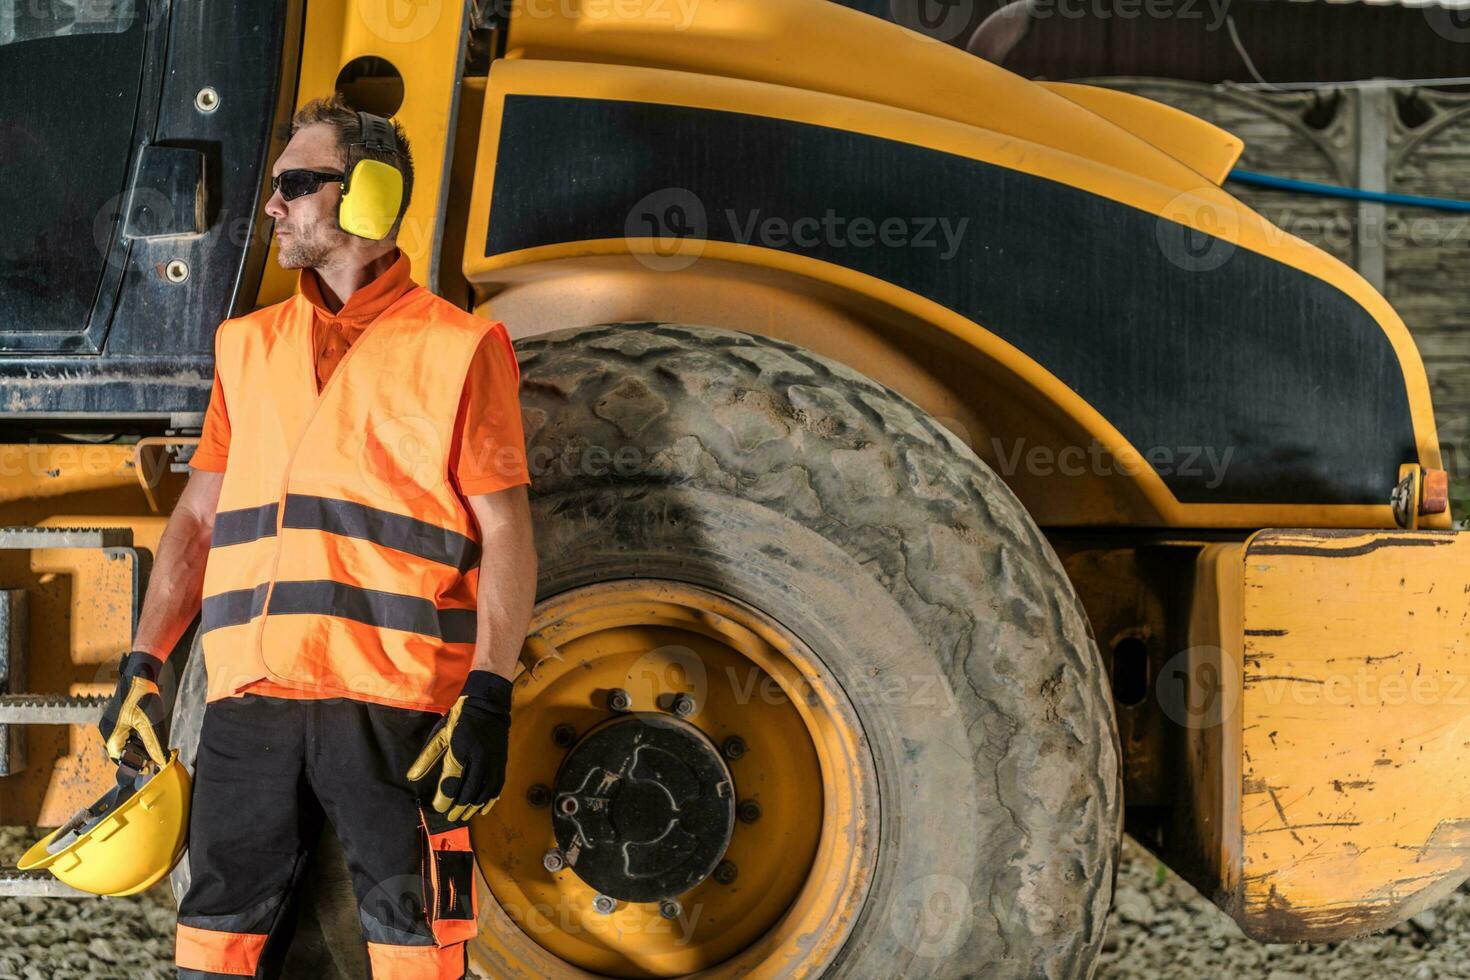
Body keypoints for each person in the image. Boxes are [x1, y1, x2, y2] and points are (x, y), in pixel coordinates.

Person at [95, 93, 537, 979]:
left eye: (295, 183)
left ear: (368, 196)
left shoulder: (459, 347)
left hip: (396, 707)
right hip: (250, 701)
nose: (272, 205)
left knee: (415, 938)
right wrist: (146, 664)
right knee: (215, 936)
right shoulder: (247, 346)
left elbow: (508, 534)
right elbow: (199, 516)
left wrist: (489, 691)